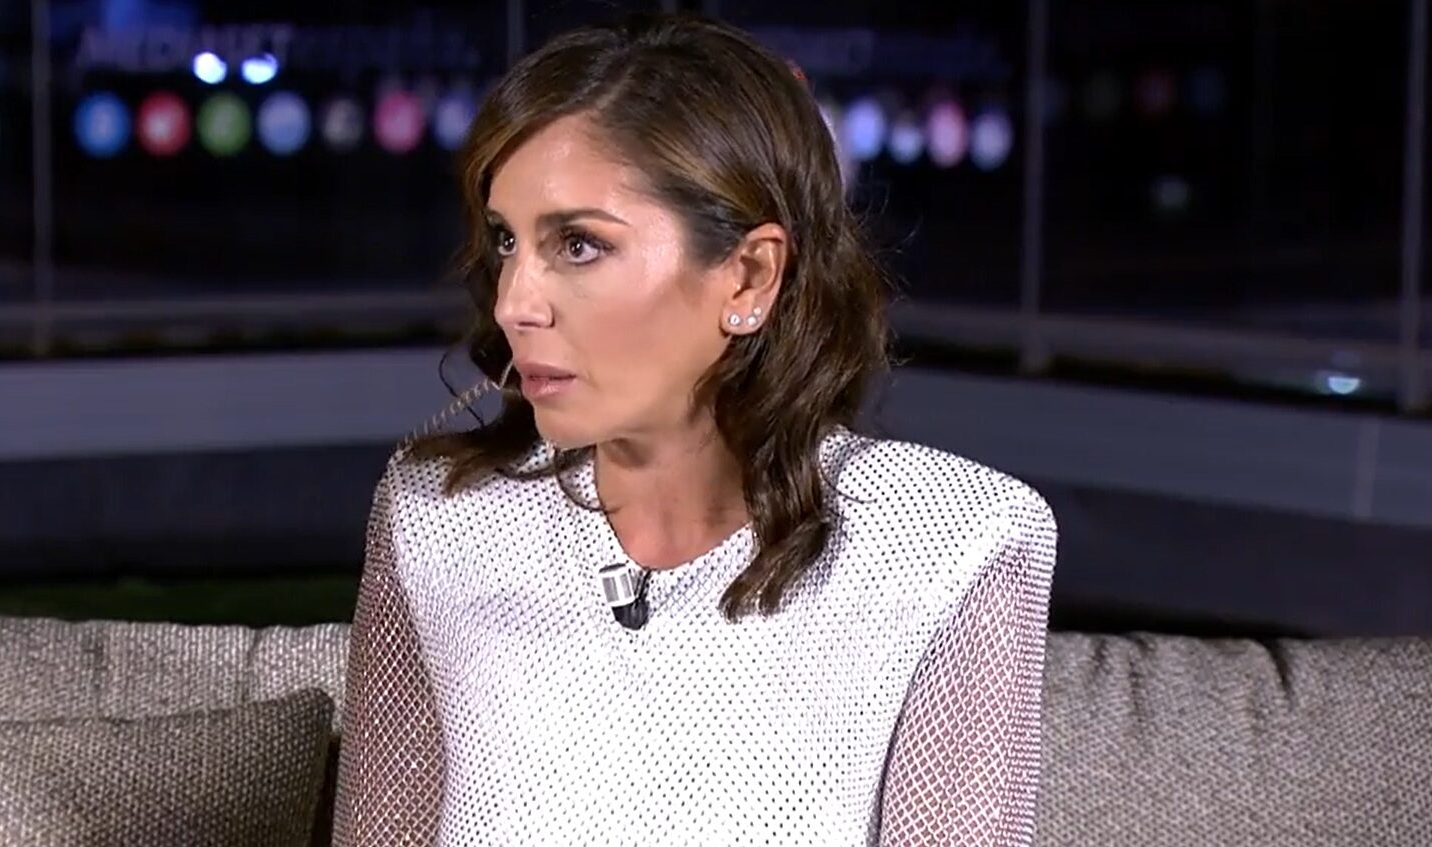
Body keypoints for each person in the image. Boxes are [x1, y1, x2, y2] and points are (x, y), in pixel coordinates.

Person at [332, 13, 1057, 847]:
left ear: (748, 276)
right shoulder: (438, 521)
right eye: (506, 241)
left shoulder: (953, 543)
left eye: (578, 244)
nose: (513, 303)